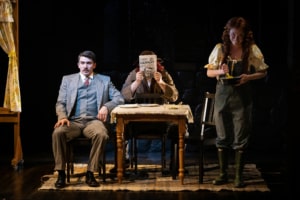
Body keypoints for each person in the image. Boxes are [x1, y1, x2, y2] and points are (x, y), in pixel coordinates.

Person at [204, 17, 269, 188]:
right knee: (222, 135)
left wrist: (249, 77)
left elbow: (263, 72)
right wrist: (220, 70)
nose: (236, 39)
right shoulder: (220, 49)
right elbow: (209, 74)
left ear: (245, 35)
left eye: (240, 36)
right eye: (233, 35)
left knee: (241, 136)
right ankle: (223, 174)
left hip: (242, 98)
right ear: (228, 33)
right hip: (222, 97)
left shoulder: (251, 50)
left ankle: (238, 176)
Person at [52, 50, 124, 188]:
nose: (85, 66)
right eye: (83, 63)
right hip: (72, 121)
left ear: (94, 65)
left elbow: (119, 98)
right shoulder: (68, 80)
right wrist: (62, 117)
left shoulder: (104, 80)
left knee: (101, 134)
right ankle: (61, 172)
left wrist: (106, 107)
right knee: (58, 133)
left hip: (94, 121)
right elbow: (60, 102)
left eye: (89, 63)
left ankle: (91, 172)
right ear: (78, 65)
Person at [109, 50, 179, 173]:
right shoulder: (134, 74)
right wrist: (136, 82)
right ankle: (122, 163)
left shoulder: (163, 73)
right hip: (138, 122)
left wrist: (161, 83)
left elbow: (174, 96)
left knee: (178, 128)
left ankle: (176, 164)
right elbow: (123, 95)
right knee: (120, 129)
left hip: (161, 122)